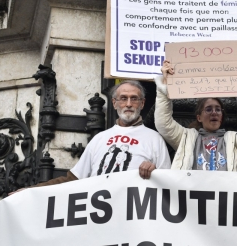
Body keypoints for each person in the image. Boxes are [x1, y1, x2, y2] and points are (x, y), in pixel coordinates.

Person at [13, 80, 171, 192]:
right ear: (114, 103)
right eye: (123, 98)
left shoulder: (154, 139)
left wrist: (155, 172)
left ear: (142, 104)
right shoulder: (100, 139)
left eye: (134, 99)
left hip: (135, 215)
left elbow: (168, 183)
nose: (128, 104)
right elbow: (73, 179)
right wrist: (30, 192)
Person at [154, 60, 237, 171]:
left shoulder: (232, 140)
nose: (214, 112)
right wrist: (165, 86)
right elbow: (163, 123)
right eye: (208, 109)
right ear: (199, 117)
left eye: (218, 110)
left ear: (222, 117)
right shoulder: (185, 137)